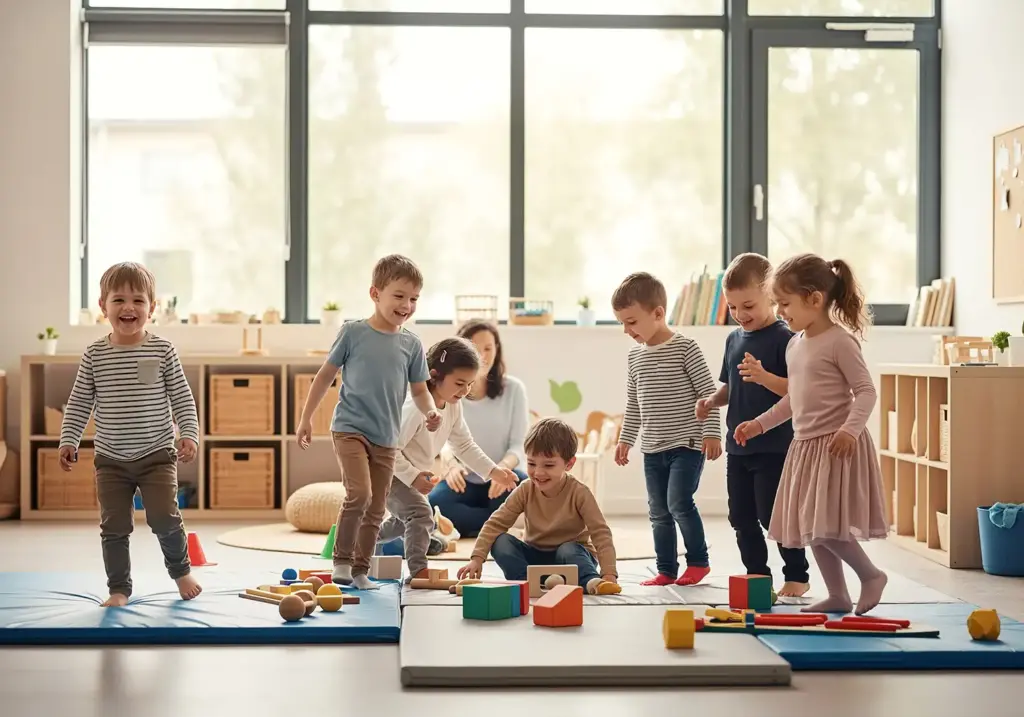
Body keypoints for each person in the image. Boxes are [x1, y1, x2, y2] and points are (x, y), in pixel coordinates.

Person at [734, 253, 889, 615]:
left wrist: (850, 431)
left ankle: (871, 575)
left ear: (815, 299)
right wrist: (759, 424)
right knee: (811, 527)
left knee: (826, 528)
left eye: (785, 303)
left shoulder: (839, 341)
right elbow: (794, 399)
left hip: (836, 446)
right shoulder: (795, 343)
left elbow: (866, 391)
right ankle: (838, 594)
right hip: (804, 447)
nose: (781, 311)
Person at [58, 261, 202, 607]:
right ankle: (118, 589)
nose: (128, 308)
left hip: (156, 455)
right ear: (102, 306)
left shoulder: (162, 350)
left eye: (138, 301)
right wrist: (68, 439)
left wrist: (189, 433)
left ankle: (181, 571)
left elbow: (182, 396)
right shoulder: (95, 354)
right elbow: (79, 400)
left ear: (152, 308)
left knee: (165, 517)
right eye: (119, 300)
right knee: (114, 526)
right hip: (110, 460)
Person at [296, 254, 442, 590]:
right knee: (359, 494)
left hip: (386, 438)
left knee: (377, 507)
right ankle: (342, 561)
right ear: (375, 293)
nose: (406, 305)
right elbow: (325, 377)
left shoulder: (412, 344)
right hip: (350, 429)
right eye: (399, 296)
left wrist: (430, 411)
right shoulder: (353, 333)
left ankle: (361, 570)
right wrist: (306, 418)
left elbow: (419, 391)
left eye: (414, 299)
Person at [697, 253, 810, 598]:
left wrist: (763, 377)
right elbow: (731, 386)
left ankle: (797, 574)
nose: (741, 315)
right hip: (739, 447)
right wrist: (712, 401)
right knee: (740, 517)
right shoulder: (734, 340)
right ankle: (758, 578)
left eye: (748, 305)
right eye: (733, 308)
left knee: (772, 516)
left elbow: (797, 392)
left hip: (775, 446)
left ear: (771, 296)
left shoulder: (787, 338)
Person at [612, 272, 722, 587]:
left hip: (687, 444)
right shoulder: (635, 358)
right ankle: (666, 570)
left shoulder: (686, 347)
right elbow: (634, 404)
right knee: (658, 511)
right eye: (622, 323)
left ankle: (699, 562)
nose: (626, 330)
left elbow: (708, 394)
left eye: (631, 321)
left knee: (678, 503)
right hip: (653, 449)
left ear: (658, 314)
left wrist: (711, 433)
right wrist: (626, 440)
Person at [376, 337, 518, 579]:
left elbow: (463, 444)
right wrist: (413, 477)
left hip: (412, 475)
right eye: (459, 383)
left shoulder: (453, 405)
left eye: (470, 385)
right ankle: (419, 570)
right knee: (421, 515)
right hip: (390, 472)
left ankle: (365, 537)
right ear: (434, 375)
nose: (465, 392)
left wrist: (494, 471)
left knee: (405, 521)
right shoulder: (416, 408)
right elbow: (388, 451)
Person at [458, 418, 621, 596]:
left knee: (569, 550)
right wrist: (476, 559)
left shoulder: (580, 492)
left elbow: (600, 532)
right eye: (531, 463)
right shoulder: (526, 489)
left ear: (569, 464)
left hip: (571, 558)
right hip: (535, 558)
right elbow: (495, 524)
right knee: (501, 542)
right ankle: (526, 583)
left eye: (549, 465)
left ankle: (590, 582)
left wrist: (609, 574)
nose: (538, 472)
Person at [428, 320, 529, 537]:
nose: (482, 356)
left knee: (525, 488)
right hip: (464, 481)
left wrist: (500, 470)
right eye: (475, 348)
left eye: (488, 348)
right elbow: (449, 441)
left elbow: (518, 445)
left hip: (502, 477)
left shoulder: (514, 390)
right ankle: (497, 526)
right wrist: (451, 465)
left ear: (497, 350)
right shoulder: (451, 392)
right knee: (434, 501)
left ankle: (480, 526)